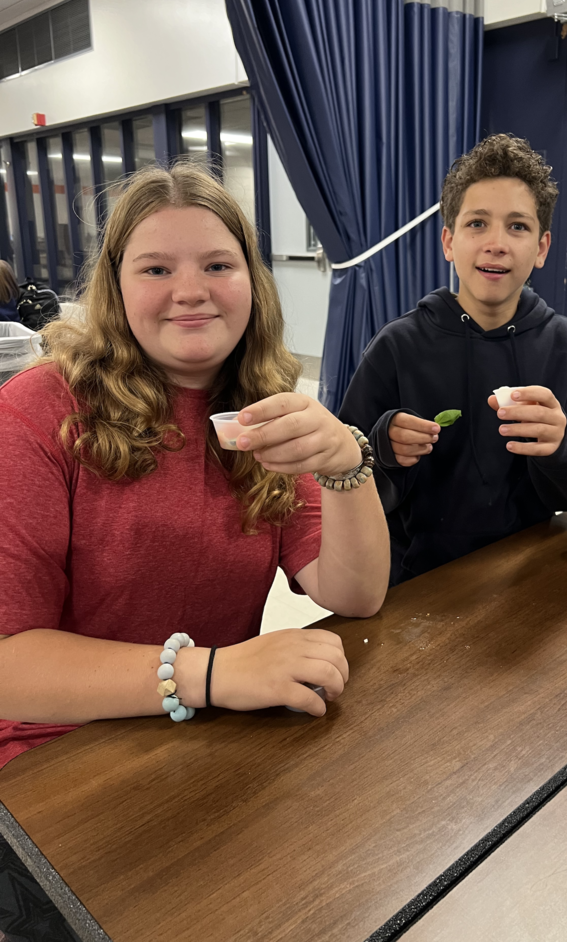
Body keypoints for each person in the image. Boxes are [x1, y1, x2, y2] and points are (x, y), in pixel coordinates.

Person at [0, 161, 390, 769]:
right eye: (156, 268)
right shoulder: (41, 409)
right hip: (56, 758)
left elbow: (354, 594)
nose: (190, 291)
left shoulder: (260, 411)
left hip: (212, 742)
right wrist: (211, 671)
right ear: (116, 284)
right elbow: (9, 665)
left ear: (251, 282)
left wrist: (348, 465)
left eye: (217, 265)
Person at [338, 134, 567, 585]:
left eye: (518, 226)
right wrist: (382, 446)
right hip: (417, 580)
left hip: (531, 573)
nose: (496, 243)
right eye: (477, 224)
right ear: (449, 242)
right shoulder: (398, 345)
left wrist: (564, 443)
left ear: (542, 248)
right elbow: (339, 476)